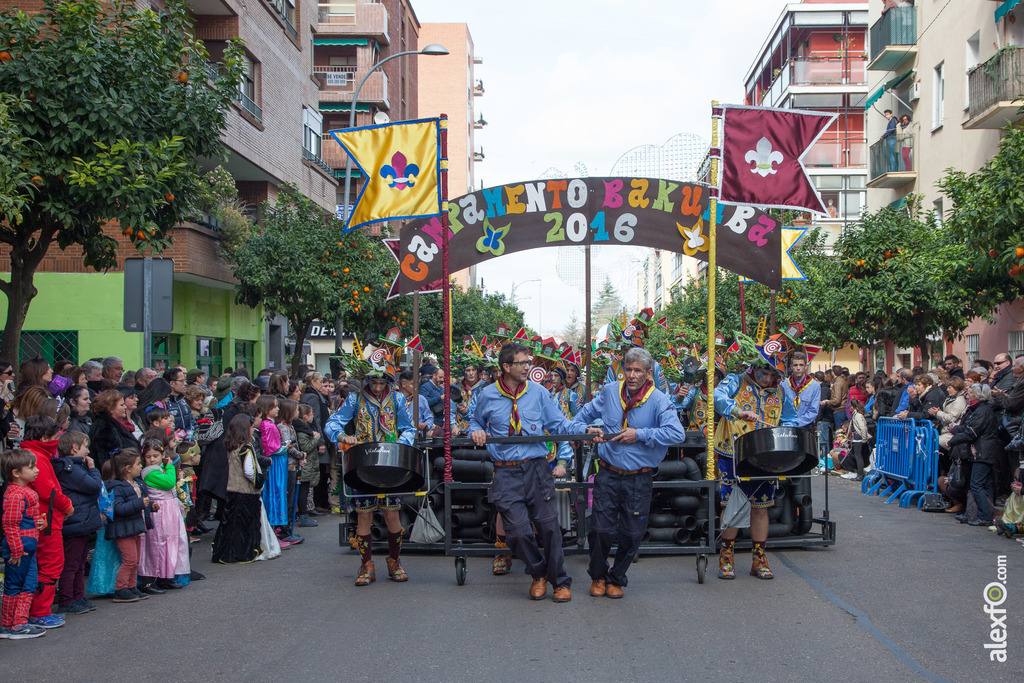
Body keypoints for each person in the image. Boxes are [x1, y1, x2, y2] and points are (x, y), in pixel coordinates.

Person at [469, 341, 586, 603]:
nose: (528, 367)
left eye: (528, 362)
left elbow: (558, 423)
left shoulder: (538, 393)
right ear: (506, 366)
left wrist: (583, 431)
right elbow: (475, 421)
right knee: (518, 532)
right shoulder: (487, 395)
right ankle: (538, 573)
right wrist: (475, 430)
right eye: (522, 363)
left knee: (548, 527)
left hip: (537, 469)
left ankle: (560, 581)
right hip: (505, 473)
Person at [574, 347, 685, 598]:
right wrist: (583, 429)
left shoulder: (659, 400)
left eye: (638, 371)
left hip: (639, 477)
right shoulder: (610, 392)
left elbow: (676, 433)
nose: (632, 375)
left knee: (632, 532)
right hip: (608, 473)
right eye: (628, 369)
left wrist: (640, 434)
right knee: (600, 529)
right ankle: (598, 576)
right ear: (623, 370)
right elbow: (584, 414)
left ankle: (617, 578)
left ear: (648, 374)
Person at [324, 351, 415, 586]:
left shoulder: (396, 400)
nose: (376, 387)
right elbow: (332, 423)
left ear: (388, 381)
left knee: (392, 515)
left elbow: (409, 428)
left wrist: (401, 445)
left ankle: (394, 561)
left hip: (390, 465)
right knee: (364, 517)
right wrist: (344, 436)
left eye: (381, 382)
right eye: (372, 382)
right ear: (365, 380)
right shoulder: (354, 400)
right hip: (363, 466)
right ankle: (366, 565)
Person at [714, 353, 798, 581]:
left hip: (765, 457)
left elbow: (791, 419)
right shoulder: (735, 381)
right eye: (764, 372)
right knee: (731, 504)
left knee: (761, 506)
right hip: (733, 453)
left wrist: (786, 431)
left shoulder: (780, 391)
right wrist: (736, 411)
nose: (767, 378)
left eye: (773, 374)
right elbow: (717, 396)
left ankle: (759, 559)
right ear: (753, 369)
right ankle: (726, 557)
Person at [22, 416, 71, 629]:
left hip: (44, 517)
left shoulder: (33, 454)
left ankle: (38, 610)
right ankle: (40, 612)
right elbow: (47, 491)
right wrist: (67, 504)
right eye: (54, 437)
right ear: (44, 438)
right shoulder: (37, 457)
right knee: (50, 564)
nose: (57, 441)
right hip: (46, 519)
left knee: (45, 564)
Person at [52, 431, 102, 615]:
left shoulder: (74, 468)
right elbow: (94, 486)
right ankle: (67, 600)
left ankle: (78, 596)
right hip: (76, 521)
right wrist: (94, 468)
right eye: (85, 447)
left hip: (82, 519)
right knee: (71, 564)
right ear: (75, 448)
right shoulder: (70, 468)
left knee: (80, 562)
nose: (88, 451)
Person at [0, 448, 47, 639]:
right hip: (19, 548)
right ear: (16, 472)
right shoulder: (14, 495)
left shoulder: (25, 492)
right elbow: (10, 524)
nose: (36, 470)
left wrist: (40, 524)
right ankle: (8, 624)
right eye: (31, 467)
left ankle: (20, 622)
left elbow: (27, 519)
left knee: (29, 584)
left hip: (29, 545)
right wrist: (16, 550)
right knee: (14, 585)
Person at [212, 414, 268, 564]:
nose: (252, 430)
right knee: (243, 526)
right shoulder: (246, 448)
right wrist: (259, 481)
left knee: (231, 524)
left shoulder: (232, 447)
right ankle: (241, 552)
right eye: (250, 427)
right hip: (245, 492)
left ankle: (225, 551)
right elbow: (249, 471)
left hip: (232, 490)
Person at [137, 438, 189, 592]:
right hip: (160, 512)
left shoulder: (160, 469)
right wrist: (170, 466)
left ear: (162, 455)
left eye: (155, 456)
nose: (152, 459)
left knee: (170, 544)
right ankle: (151, 578)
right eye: (148, 457)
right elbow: (169, 483)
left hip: (169, 511)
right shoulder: (150, 472)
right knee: (157, 544)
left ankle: (166, 576)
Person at [105, 449, 156, 602]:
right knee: (130, 560)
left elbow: (139, 503)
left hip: (135, 526)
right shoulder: (117, 487)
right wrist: (140, 503)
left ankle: (131, 586)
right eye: (138, 464)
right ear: (127, 468)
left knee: (136, 560)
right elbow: (119, 508)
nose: (141, 466)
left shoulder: (137, 483)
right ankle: (121, 588)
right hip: (123, 528)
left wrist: (150, 505)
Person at [948, 383, 1001, 526]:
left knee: (976, 484)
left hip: (983, 452)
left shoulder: (982, 411)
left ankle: (984, 516)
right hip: (982, 452)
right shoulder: (977, 409)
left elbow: (971, 432)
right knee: (985, 484)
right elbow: (967, 428)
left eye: (970, 393)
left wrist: (952, 441)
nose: (967, 394)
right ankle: (978, 514)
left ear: (978, 395)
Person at [294, 403, 322, 528]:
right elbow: (305, 447)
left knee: (305, 490)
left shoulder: (305, 429)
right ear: (305, 416)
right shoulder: (302, 432)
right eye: (311, 414)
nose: (313, 417)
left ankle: (304, 514)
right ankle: (303, 515)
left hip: (308, 465)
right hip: (305, 465)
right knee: (303, 491)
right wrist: (316, 440)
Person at [782, 352, 820, 428]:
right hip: (787, 426)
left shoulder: (814, 386)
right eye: (795, 365)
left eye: (801, 365)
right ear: (791, 367)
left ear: (806, 366)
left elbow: (813, 411)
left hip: (806, 427)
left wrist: (796, 423)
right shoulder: (783, 384)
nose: (798, 368)